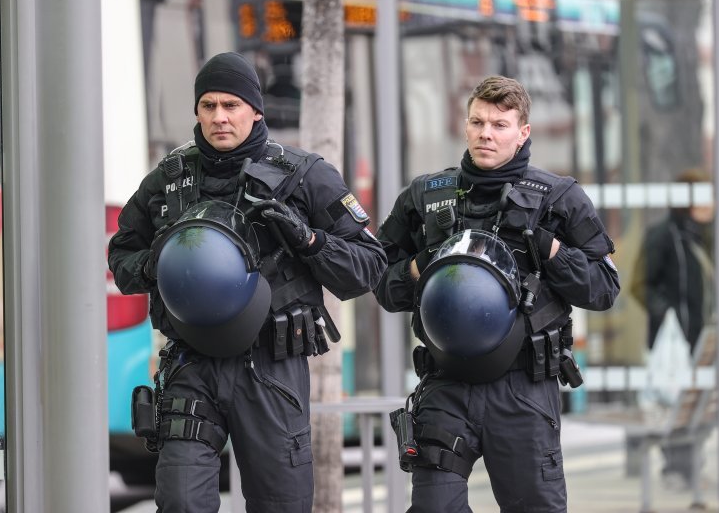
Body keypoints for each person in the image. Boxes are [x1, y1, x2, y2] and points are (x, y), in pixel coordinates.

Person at [108, 51, 387, 512]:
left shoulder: (305, 175)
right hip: (190, 365)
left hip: (270, 368)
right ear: (197, 111)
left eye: (231, 105)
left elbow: (369, 266)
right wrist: (156, 262)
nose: (219, 117)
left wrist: (311, 241)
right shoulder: (168, 180)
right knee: (179, 501)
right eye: (209, 106)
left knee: (281, 504)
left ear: (255, 110)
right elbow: (121, 258)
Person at [374, 75, 619, 512]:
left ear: (523, 132)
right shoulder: (425, 197)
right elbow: (380, 282)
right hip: (446, 382)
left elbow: (604, 288)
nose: (486, 133)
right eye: (477, 122)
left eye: (500, 125)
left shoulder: (559, 198)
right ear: (465, 125)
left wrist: (552, 250)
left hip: (523, 389)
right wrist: (421, 264)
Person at [630, 167, 715, 487]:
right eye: (706, 196)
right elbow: (640, 284)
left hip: (700, 337)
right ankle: (675, 469)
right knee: (674, 403)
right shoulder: (664, 235)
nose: (713, 202)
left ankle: (690, 466)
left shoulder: (705, 236)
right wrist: (667, 313)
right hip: (674, 339)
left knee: (699, 406)